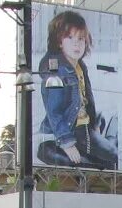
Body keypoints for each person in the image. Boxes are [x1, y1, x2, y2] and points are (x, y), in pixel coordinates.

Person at [38, 9, 116, 169]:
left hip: (86, 126)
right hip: (75, 131)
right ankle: (58, 149)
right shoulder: (58, 71)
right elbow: (54, 111)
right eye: (70, 37)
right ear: (59, 42)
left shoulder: (80, 66)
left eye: (81, 39)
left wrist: (93, 121)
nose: (77, 43)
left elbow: (86, 98)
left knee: (110, 155)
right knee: (113, 156)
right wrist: (67, 142)